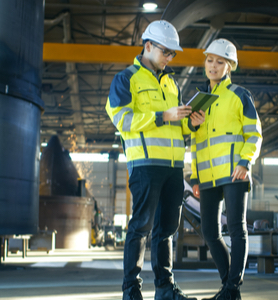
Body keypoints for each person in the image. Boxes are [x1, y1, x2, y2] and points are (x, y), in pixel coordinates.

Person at [106, 20, 205, 300]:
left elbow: (179, 126)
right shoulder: (126, 79)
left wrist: (192, 123)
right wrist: (163, 116)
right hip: (146, 166)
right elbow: (123, 120)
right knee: (140, 228)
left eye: (173, 54)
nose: (170, 58)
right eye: (166, 52)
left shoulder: (171, 82)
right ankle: (131, 291)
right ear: (148, 46)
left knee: (167, 231)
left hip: (174, 168)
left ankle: (164, 289)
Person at [190, 39, 263, 300]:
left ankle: (232, 288)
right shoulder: (199, 101)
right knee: (210, 231)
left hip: (234, 173)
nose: (213, 66)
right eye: (209, 60)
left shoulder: (239, 95)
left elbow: (254, 133)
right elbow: (196, 142)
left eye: (220, 62)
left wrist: (245, 162)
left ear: (229, 66)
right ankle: (228, 287)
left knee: (236, 228)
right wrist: (195, 176)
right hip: (208, 177)